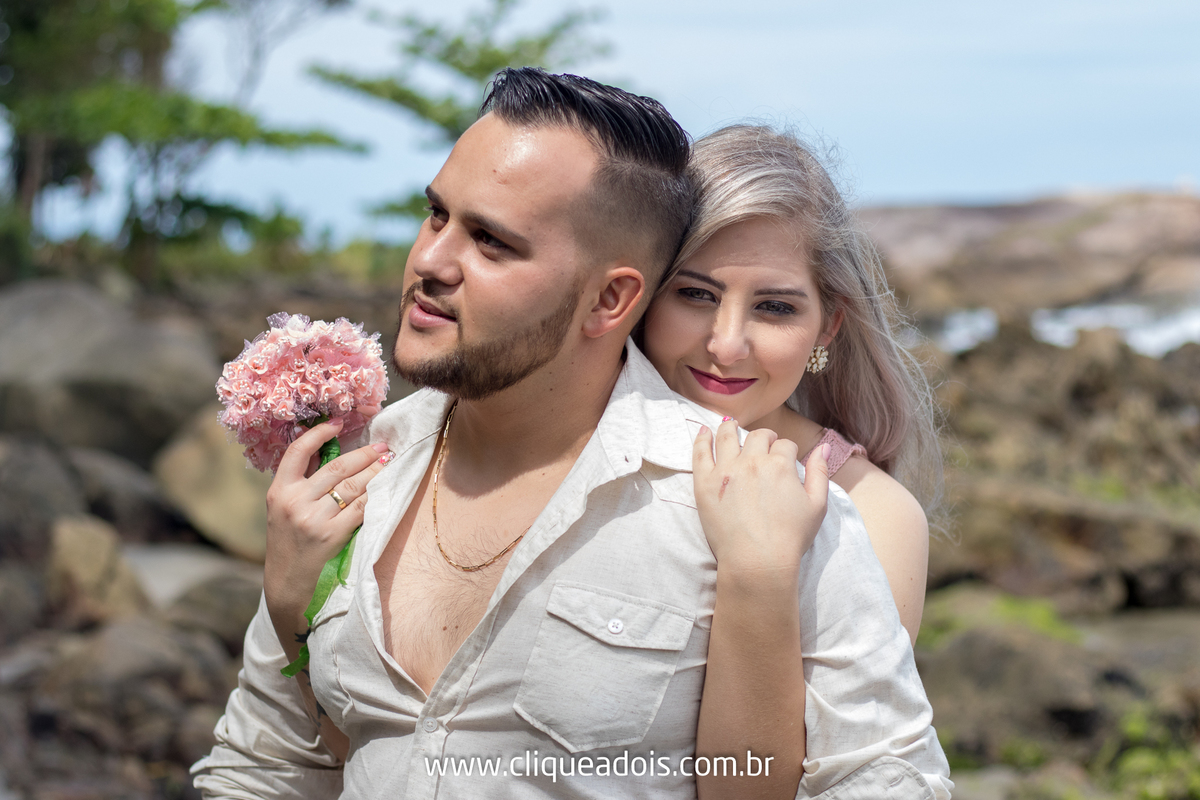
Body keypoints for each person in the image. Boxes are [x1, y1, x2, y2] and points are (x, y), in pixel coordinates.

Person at [192, 68, 951, 799]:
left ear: (613, 297)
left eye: (492, 241)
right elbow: (287, 760)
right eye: (434, 215)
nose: (428, 261)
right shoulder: (366, 471)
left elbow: (795, 782)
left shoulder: (811, 512)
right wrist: (296, 613)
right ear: (649, 299)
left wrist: (755, 577)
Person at [641, 125, 945, 799]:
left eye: (774, 307)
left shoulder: (873, 516)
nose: (727, 344)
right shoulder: (568, 437)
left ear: (827, 328)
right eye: (694, 294)